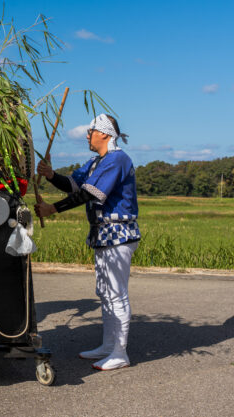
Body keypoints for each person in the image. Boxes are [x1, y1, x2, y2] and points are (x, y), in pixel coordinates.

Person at [35, 113, 140, 371]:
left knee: (116, 294)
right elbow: (73, 184)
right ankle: (108, 346)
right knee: (104, 293)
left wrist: (52, 209)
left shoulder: (118, 160)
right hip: (103, 234)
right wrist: (50, 175)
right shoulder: (96, 162)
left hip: (118, 233)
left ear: (104, 133)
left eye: (91, 130)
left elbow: (89, 193)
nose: (87, 135)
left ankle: (120, 352)